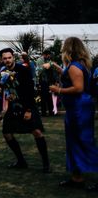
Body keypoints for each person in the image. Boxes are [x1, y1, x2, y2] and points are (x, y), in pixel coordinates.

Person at [49, 37, 98, 189]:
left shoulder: (74, 66)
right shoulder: (78, 65)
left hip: (79, 109)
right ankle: (77, 178)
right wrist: (58, 68)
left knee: (83, 141)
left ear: (68, 49)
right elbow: (70, 77)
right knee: (74, 141)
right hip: (77, 108)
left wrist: (59, 90)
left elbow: (78, 88)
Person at [0, 47, 50, 173]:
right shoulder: (3, 71)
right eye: (4, 58)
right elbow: (4, 86)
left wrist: (28, 110)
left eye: (9, 58)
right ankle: (21, 161)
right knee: (7, 133)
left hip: (27, 105)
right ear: (2, 59)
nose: (7, 60)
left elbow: (30, 90)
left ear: (13, 57)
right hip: (13, 105)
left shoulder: (23, 69)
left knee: (36, 132)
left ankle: (46, 164)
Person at [36, 50, 56, 117]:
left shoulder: (48, 60)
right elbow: (39, 70)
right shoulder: (39, 60)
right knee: (43, 97)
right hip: (43, 80)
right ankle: (44, 112)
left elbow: (51, 67)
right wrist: (46, 66)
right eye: (48, 55)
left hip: (49, 81)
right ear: (45, 54)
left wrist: (49, 65)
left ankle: (51, 111)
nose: (49, 56)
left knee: (49, 96)